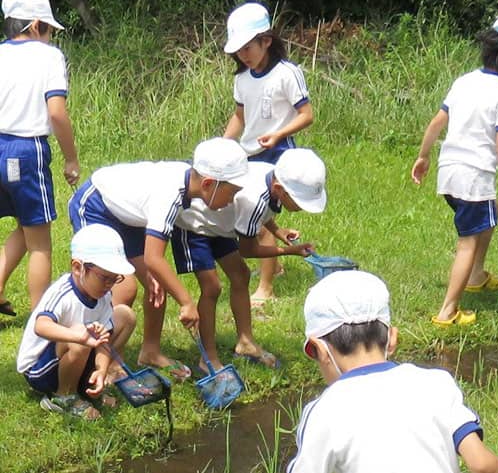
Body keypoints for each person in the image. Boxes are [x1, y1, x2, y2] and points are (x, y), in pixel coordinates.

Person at [286, 270, 498, 473]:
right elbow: (483, 465)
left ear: (317, 349)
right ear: (392, 339)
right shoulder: (436, 383)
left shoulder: (323, 411)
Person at [67, 137, 249, 380]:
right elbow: (154, 258)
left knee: (157, 283)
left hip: (131, 218)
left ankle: (149, 351)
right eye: (231, 193)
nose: (231, 200)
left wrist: (161, 277)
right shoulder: (170, 194)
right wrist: (186, 302)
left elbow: (156, 261)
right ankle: (102, 359)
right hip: (97, 205)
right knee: (123, 286)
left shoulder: (187, 186)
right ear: (208, 184)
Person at [411, 10, 498, 327]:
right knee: (467, 241)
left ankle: (477, 275)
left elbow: (437, 122)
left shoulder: (464, 81)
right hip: (474, 176)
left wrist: (423, 156)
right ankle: (448, 311)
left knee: (489, 215)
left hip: (449, 171)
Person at [171, 148, 326, 373]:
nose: (301, 207)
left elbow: (260, 214)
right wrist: (289, 251)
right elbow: (248, 249)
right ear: (280, 189)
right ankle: (208, 358)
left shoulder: (270, 176)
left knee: (241, 275)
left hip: (220, 225)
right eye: (300, 201)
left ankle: (245, 342)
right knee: (212, 287)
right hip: (195, 224)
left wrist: (278, 230)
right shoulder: (256, 196)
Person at [222, 1, 314, 306]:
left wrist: (278, 134)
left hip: (279, 155)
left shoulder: (288, 73)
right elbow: (239, 116)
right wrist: (223, 145)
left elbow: (306, 114)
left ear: (267, 41)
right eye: (239, 50)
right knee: (252, 215)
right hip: (249, 156)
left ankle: (265, 287)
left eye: (248, 47)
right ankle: (275, 264)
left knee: (259, 219)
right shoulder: (242, 79)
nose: (243, 55)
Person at [0, 0, 81, 316]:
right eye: (48, 29)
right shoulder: (48, 57)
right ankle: (41, 322)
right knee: (40, 244)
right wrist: (71, 158)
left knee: (25, 225)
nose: (49, 37)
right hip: (26, 150)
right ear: (35, 26)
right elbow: (57, 112)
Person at [17, 224, 136, 420]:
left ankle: (91, 382)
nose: (109, 285)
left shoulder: (104, 296)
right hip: (41, 368)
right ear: (78, 267)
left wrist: (101, 369)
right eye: (104, 277)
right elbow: (41, 325)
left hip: (76, 353)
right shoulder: (63, 294)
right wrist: (77, 335)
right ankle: (63, 396)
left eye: (115, 279)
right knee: (80, 337)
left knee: (125, 316)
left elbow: (104, 339)